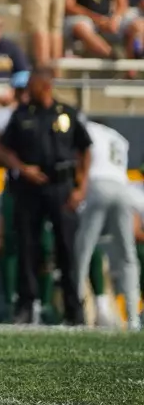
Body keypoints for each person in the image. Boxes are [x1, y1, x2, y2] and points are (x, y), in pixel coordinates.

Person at [0, 66, 91, 325]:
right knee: (28, 246)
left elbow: (85, 148)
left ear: (46, 85)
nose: (29, 90)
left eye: (34, 85)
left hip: (62, 187)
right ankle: (26, 305)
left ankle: (73, 308)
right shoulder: (22, 114)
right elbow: (3, 149)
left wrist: (81, 186)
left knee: (66, 249)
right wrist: (21, 168)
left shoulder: (67, 114)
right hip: (30, 188)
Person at [72, 119, 140, 330]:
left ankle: (77, 309)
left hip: (98, 185)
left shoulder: (87, 128)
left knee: (83, 250)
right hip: (122, 189)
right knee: (127, 255)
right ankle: (133, 318)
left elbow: (82, 156)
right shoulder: (119, 138)